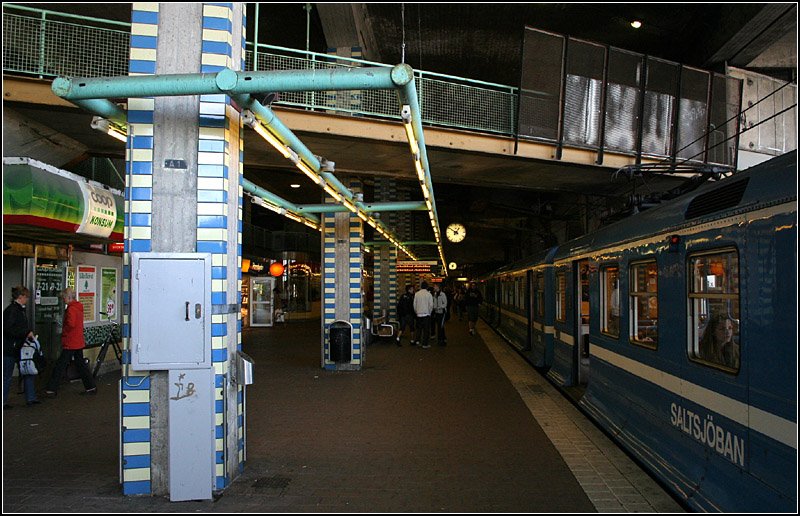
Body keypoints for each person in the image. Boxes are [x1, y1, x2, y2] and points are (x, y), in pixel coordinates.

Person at [45, 288, 97, 397]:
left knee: (60, 365)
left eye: (64, 297)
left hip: (70, 341)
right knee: (81, 364)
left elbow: (71, 324)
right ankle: (91, 386)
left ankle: (51, 388)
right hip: (78, 340)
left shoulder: (71, 309)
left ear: (68, 297)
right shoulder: (79, 307)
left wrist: (64, 331)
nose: (63, 300)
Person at [3, 286, 35, 409]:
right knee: (9, 374)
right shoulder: (14, 311)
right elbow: (8, 329)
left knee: (11, 374)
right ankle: (29, 397)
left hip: (15, 347)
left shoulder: (13, 310)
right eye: (26, 297)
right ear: (20, 297)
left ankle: (30, 397)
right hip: (12, 347)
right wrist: (25, 333)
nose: (27, 299)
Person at [413, 281, 434, 349]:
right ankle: (425, 344)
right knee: (426, 330)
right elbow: (431, 305)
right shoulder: (429, 294)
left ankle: (417, 341)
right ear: (427, 286)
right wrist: (429, 312)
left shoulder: (417, 294)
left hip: (419, 315)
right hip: (426, 314)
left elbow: (414, 304)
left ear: (421, 286)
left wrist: (416, 312)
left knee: (418, 329)